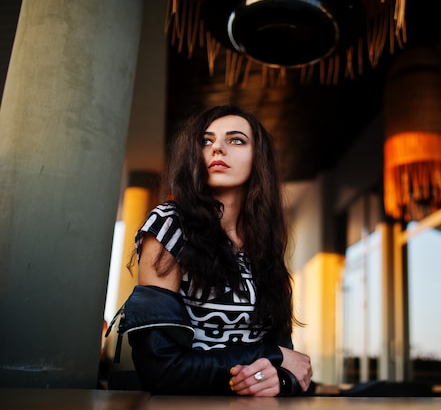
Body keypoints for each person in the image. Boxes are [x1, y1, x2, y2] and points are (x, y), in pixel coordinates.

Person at [110, 105, 313, 396]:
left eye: (236, 140)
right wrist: (270, 356)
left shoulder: (264, 242)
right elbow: (161, 371)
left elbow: (288, 363)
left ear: (259, 159)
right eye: (206, 141)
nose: (217, 148)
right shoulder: (170, 224)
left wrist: (278, 380)